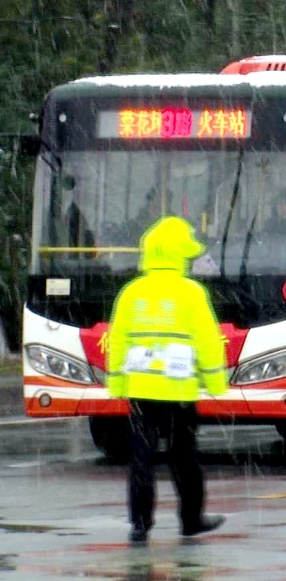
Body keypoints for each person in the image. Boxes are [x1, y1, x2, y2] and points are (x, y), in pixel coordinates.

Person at [105, 216, 228, 544]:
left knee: (141, 460)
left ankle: (140, 525)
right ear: (179, 255)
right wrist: (216, 384)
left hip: (140, 393)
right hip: (179, 394)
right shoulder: (191, 293)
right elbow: (208, 341)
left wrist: (116, 384)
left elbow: (118, 340)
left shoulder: (131, 293)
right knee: (184, 458)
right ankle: (191, 520)